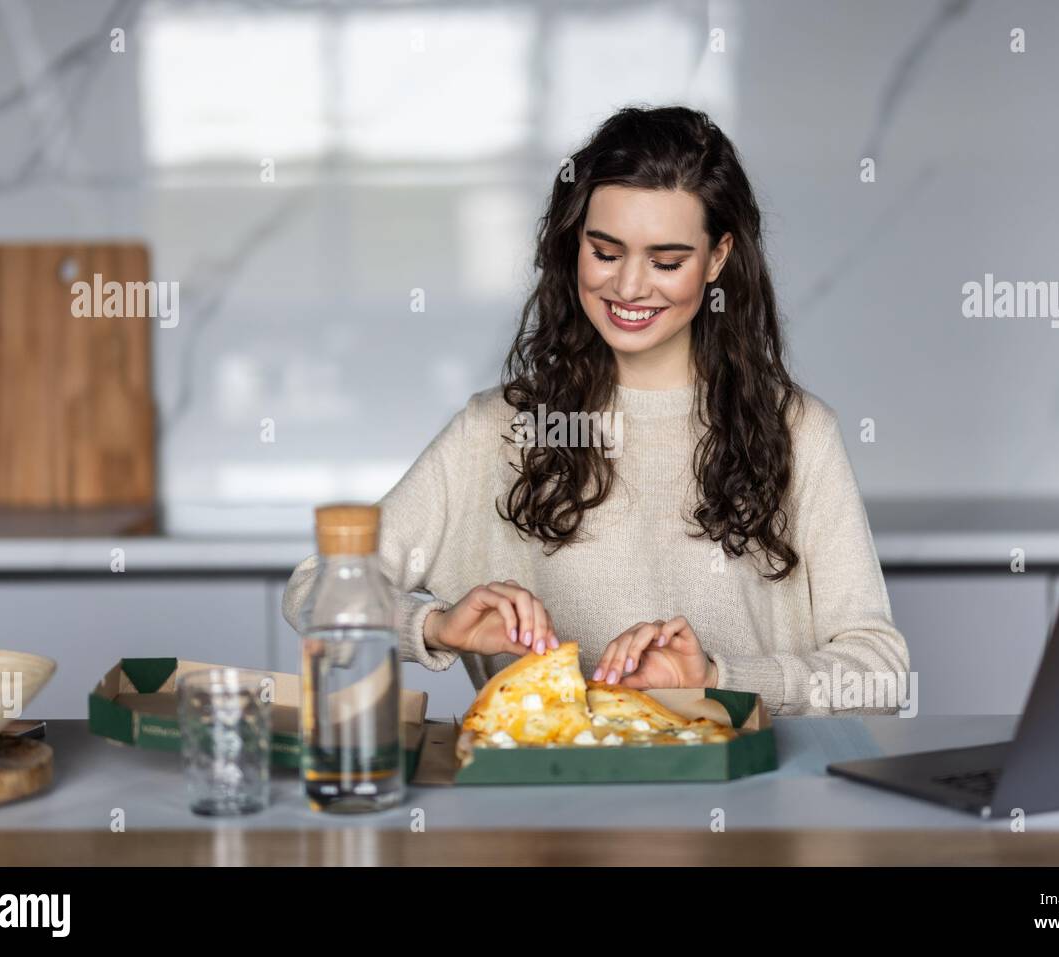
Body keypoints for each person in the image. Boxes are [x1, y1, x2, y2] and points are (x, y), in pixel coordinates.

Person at [283, 105, 909, 715]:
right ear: (573, 243)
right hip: (551, 809)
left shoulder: (800, 434)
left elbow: (880, 676)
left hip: (750, 806)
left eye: (667, 262)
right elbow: (314, 588)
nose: (629, 287)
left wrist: (719, 679)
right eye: (605, 253)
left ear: (718, 258)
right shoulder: (497, 431)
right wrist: (436, 625)